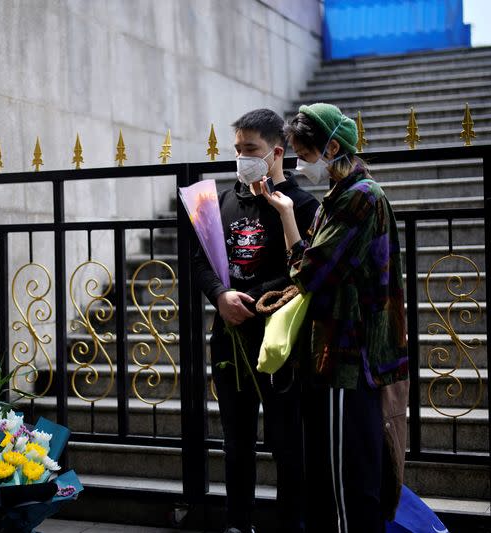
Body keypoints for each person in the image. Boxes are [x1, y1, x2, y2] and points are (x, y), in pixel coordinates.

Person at [260, 102, 409, 533]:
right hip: (335, 356)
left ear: (333, 148)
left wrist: (292, 236)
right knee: (332, 479)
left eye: (306, 156)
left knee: (348, 485)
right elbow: (310, 263)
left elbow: (310, 270)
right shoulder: (342, 196)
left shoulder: (358, 198)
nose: (303, 166)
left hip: (347, 357)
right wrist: (290, 216)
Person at [192, 108, 319, 533]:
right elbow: (202, 261)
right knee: (236, 441)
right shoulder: (223, 202)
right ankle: (238, 523)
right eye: (237, 149)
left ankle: (291, 524)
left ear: (275, 153)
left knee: (288, 442)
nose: (241, 157)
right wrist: (220, 294)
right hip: (229, 336)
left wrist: (264, 299)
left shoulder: (301, 205)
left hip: (280, 343)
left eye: (251, 150)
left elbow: (305, 271)